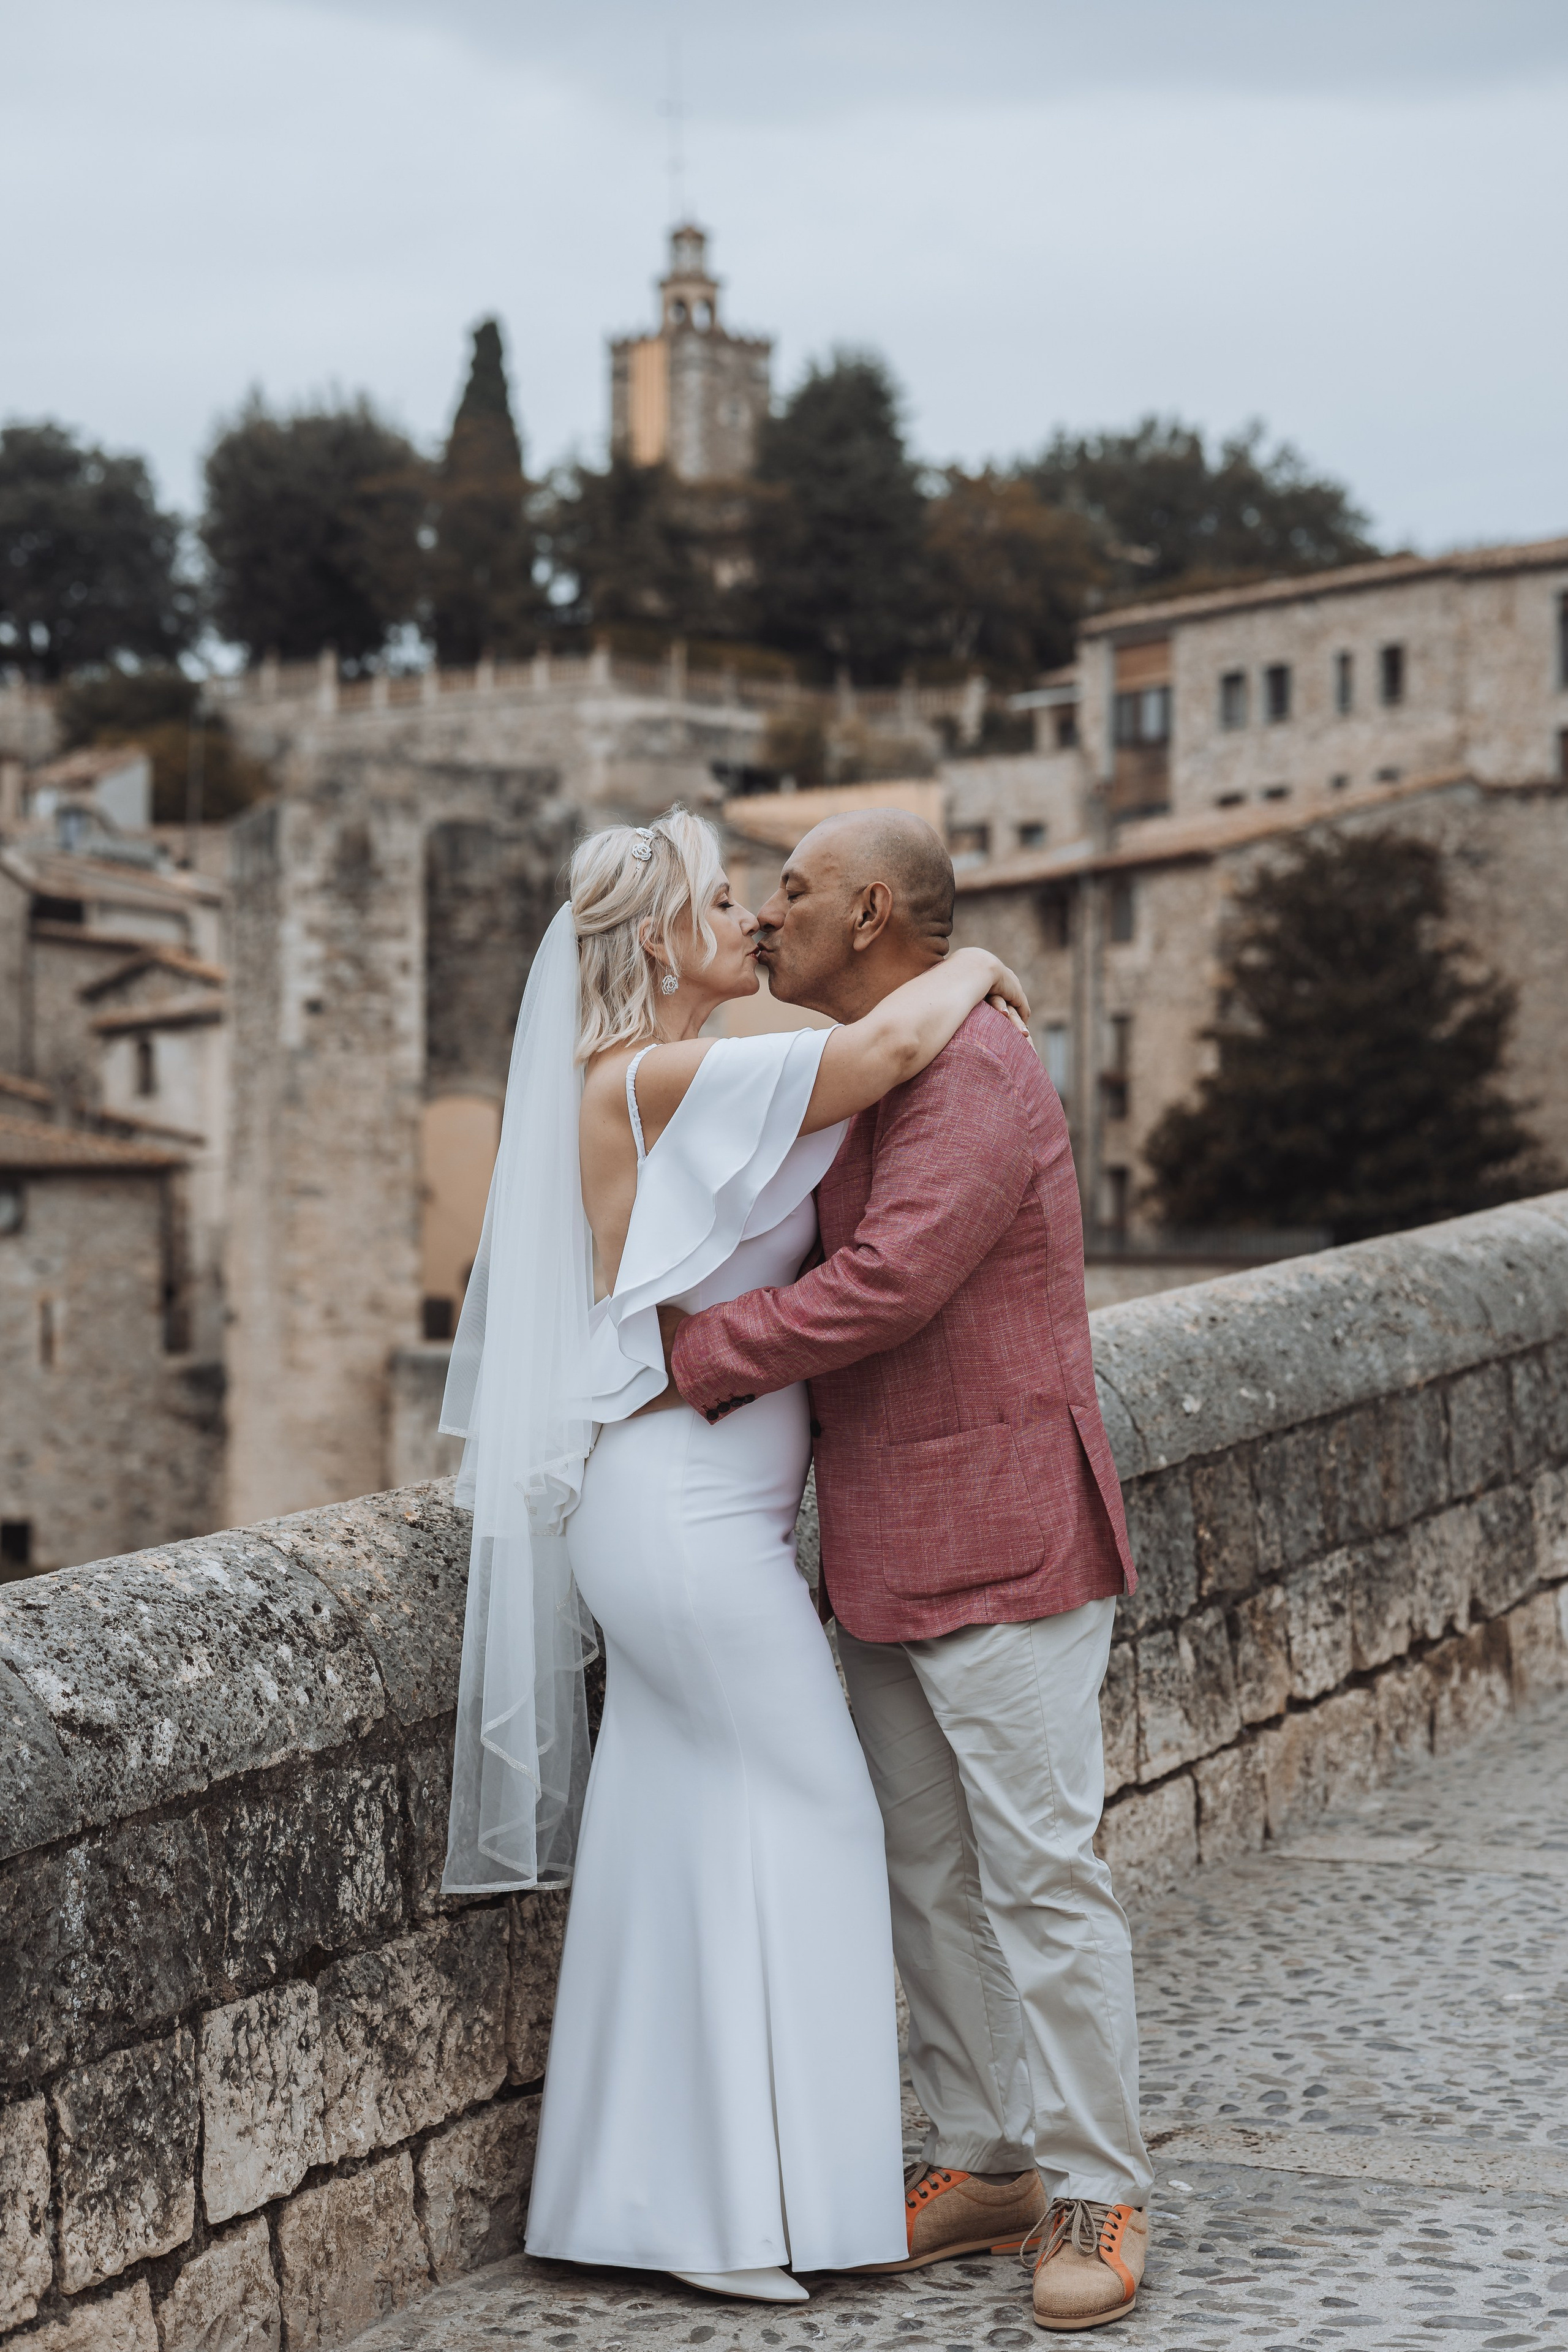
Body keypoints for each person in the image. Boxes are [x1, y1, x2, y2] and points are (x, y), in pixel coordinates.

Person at [439, 806, 1033, 2306]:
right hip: (685, 1523)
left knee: (671, 1843)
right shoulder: (646, 1080)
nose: (750, 921)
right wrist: (975, 967)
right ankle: (772, 2211)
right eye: (720, 901)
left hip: (683, 1512)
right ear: (657, 942)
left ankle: (650, 2210)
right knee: (824, 1817)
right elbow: (883, 1054)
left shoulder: (669, 1072)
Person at [664, 810, 1155, 2334]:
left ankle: (1097, 2188)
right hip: (881, 1542)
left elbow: (887, 1283)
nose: (769, 916)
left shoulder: (978, 1071)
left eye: (793, 890)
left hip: (1004, 1537)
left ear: (871, 911)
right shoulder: (874, 1055)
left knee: (1041, 1878)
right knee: (925, 1875)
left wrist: (693, 1357)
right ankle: (985, 2162)